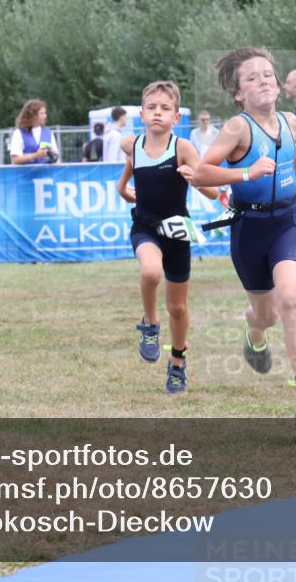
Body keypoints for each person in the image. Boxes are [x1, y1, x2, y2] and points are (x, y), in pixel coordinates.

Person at [193, 47, 296, 425]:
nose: (264, 82)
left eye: (268, 75)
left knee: (290, 298)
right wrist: (245, 174)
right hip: (248, 230)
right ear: (239, 94)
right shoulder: (237, 128)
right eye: (252, 78)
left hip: (286, 223)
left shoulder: (287, 120)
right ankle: (253, 332)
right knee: (265, 315)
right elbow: (200, 172)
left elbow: (292, 154)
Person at [116, 80, 218, 394]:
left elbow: (212, 191)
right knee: (149, 271)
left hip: (177, 232)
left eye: (165, 108)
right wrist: (122, 189)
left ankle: (177, 362)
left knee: (178, 308)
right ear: (141, 114)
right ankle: (149, 323)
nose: (157, 113)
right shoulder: (130, 144)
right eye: (151, 107)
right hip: (145, 226)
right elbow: (128, 172)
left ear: (176, 117)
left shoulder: (183, 147)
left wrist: (194, 177)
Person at [9, 98, 57, 164]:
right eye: (42, 113)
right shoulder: (19, 133)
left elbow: (56, 157)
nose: (45, 116)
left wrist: (53, 156)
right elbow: (15, 160)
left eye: (45, 113)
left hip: (46, 173)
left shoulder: (49, 132)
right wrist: (35, 156)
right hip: (25, 173)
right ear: (33, 115)